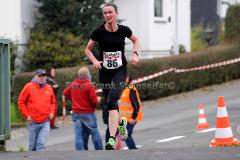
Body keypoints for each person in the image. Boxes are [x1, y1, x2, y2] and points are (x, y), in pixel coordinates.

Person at [85, 3, 140, 150]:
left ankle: (111, 139)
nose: (108, 15)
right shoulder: (99, 32)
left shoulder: (124, 30)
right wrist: (95, 61)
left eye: (110, 12)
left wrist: (135, 55)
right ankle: (121, 123)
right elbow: (88, 49)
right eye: (105, 13)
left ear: (116, 13)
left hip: (120, 71)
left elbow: (135, 40)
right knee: (110, 104)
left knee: (111, 100)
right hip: (105, 72)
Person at [62, 67, 103, 150]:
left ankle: (80, 152)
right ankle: (99, 150)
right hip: (88, 112)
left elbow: (65, 93)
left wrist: (73, 99)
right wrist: (97, 102)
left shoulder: (73, 84)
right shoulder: (89, 85)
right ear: (87, 75)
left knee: (78, 134)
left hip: (76, 112)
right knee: (94, 131)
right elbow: (93, 101)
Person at [18, 69, 56, 151]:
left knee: (41, 144)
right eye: (40, 76)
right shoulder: (29, 86)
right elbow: (21, 102)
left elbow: (53, 102)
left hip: (45, 121)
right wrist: (27, 116)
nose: (42, 78)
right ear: (35, 76)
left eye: (43, 76)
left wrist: (52, 112)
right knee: (32, 146)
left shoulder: (49, 87)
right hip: (32, 122)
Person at [119, 76, 143, 149]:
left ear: (127, 79)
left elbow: (136, 105)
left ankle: (133, 151)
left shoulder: (131, 89)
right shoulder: (124, 89)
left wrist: (133, 117)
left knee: (126, 135)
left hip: (131, 118)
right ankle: (133, 150)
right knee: (124, 135)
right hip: (124, 118)